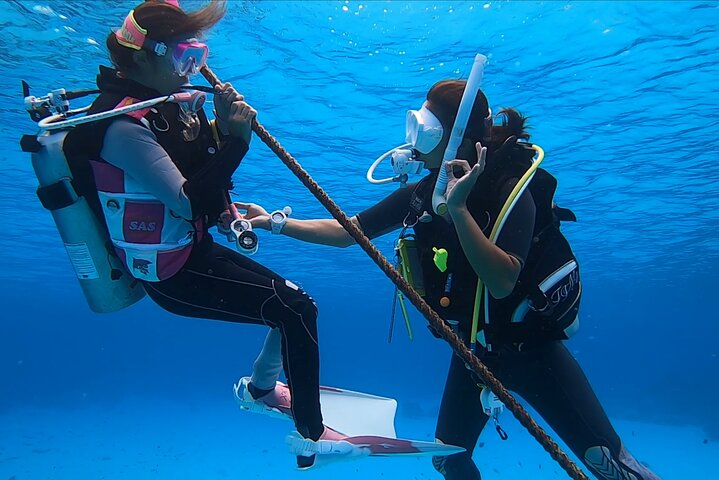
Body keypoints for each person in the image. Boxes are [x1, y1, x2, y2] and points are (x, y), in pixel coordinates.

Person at [237, 78, 662, 479]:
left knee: (606, 462)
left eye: (424, 129)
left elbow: (502, 282)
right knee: (448, 456)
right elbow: (350, 232)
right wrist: (275, 223)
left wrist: (458, 211)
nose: (414, 143)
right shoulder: (423, 193)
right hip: (473, 350)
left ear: (455, 135)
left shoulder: (510, 188)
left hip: (531, 351)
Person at [61, 0, 343, 468]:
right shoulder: (122, 129)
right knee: (295, 311)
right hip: (173, 276)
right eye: (181, 57)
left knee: (296, 305)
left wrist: (219, 135)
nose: (191, 68)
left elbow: (205, 190)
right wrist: (235, 142)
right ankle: (312, 438)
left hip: (191, 250)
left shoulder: (163, 110)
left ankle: (261, 391)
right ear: (145, 56)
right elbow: (188, 201)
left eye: (198, 55)